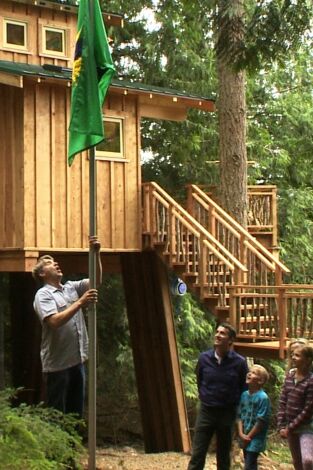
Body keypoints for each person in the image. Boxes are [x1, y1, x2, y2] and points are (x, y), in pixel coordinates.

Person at [32, 236, 102, 417]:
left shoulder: (71, 287)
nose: (55, 264)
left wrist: (96, 254)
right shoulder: (43, 295)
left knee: (75, 415)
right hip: (57, 366)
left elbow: (96, 281)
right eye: (49, 263)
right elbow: (54, 321)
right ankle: (57, 447)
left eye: (55, 262)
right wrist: (80, 303)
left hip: (77, 362)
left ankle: (74, 446)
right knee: (57, 415)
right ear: (42, 274)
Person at [187, 323, 249, 470]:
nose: (218, 335)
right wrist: (206, 396)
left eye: (222, 333)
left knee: (223, 456)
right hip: (206, 411)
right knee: (198, 454)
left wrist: (239, 413)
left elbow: (243, 388)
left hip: (227, 413)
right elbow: (199, 380)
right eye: (217, 332)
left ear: (230, 340)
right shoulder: (204, 358)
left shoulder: (239, 362)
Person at [277, 345, 313, 470]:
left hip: (305, 428)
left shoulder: (310, 381)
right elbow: (282, 401)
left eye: (297, 355)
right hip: (290, 427)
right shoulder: (289, 377)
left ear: (308, 360)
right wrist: (281, 425)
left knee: (307, 460)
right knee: (297, 462)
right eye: (292, 355)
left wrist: (289, 427)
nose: (293, 358)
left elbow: (308, 410)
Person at [237, 364, 271, 470]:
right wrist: (241, 433)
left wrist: (249, 437)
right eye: (250, 371)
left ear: (260, 381)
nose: (249, 373)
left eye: (254, 373)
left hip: (255, 437)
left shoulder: (263, 398)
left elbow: (261, 421)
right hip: (244, 435)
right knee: (249, 461)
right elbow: (239, 415)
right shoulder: (243, 395)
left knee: (249, 463)